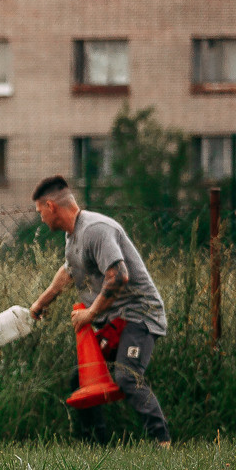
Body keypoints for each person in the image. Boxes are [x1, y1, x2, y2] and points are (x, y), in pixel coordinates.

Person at [28, 175, 171, 447]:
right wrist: (40, 303)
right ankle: (96, 446)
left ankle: (161, 442)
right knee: (80, 380)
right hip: (115, 320)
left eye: (40, 213)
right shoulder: (73, 237)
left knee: (127, 377)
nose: (41, 219)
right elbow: (68, 272)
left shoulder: (96, 229)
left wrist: (89, 314)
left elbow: (119, 276)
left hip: (140, 315)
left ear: (51, 206)